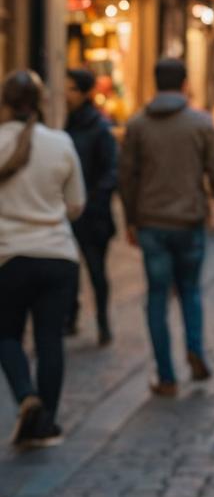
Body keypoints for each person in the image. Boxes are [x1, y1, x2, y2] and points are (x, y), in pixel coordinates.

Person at [119, 58, 214, 396]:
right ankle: (195, 351)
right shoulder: (200, 123)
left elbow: (126, 178)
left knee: (157, 296)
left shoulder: (138, 124)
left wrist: (131, 219)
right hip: (189, 221)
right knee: (190, 290)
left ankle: (166, 375)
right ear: (185, 83)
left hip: (152, 223)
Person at [0, 70, 85, 447]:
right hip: (57, 254)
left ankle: (25, 394)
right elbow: (76, 205)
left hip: (9, 255)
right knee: (51, 338)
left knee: (5, 334)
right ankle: (45, 421)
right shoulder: (60, 142)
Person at [64, 68, 118, 345]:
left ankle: (102, 321)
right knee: (69, 271)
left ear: (84, 93)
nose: (65, 93)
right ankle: (70, 318)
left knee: (96, 271)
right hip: (69, 213)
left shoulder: (99, 127)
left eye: (71, 88)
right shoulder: (65, 124)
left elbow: (111, 171)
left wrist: (93, 200)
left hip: (93, 214)